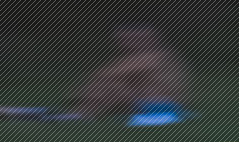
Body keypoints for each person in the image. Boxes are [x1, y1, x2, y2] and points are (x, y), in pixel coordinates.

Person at [58, 25, 189, 124]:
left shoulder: (155, 56)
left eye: (130, 39)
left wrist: (79, 93)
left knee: (112, 86)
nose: (124, 43)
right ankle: (79, 112)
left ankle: (81, 114)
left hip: (163, 105)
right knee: (113, 84)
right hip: (146, 102)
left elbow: (106, 73)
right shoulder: (149, 55)